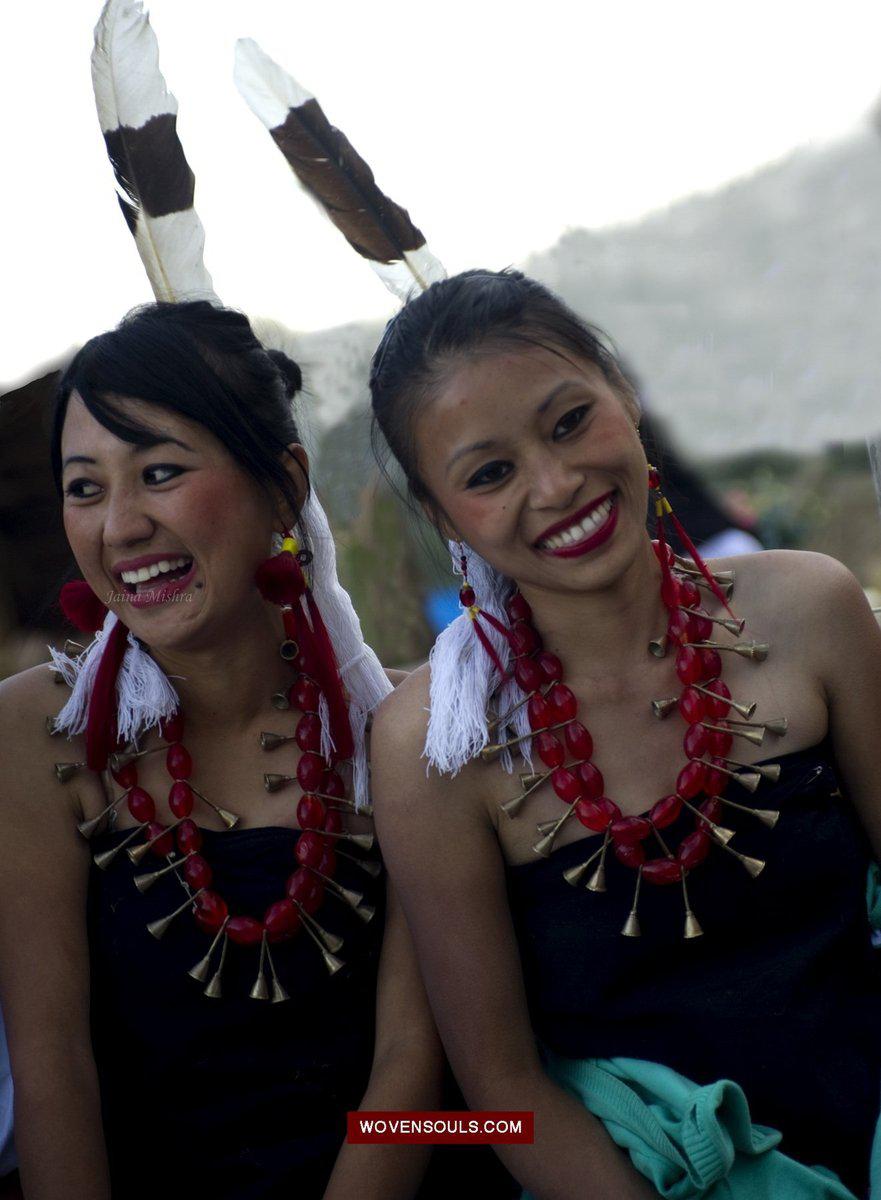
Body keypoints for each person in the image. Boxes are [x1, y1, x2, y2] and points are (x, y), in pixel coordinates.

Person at [368, 268, 881, 1198]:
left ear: (625, 392)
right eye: (490, 474)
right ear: (443, 516)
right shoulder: (433, 749)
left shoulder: (813, 609)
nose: (558, 483)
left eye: (569, 421)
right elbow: (497, 1088)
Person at [0, 300, 446, 1200]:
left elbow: (415, 1073)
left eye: (158, 472)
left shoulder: (403, 728)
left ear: (284, 486)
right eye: (84, 487)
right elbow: (55, 1072)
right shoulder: (38, 732)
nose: (118, 527)